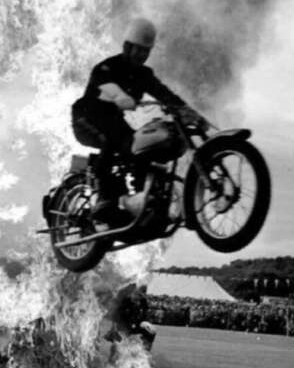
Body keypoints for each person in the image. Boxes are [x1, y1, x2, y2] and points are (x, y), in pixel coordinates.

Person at [71, 17, 199, 225]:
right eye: (138, 49)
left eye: (146, 51)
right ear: (127, 46)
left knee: (138, 147)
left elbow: (163, 93)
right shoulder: (107, 67)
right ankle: (104, 200)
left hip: (114, 121)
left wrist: (186, 111)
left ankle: (141, 199)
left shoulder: (144, 75)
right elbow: (103, 83)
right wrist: (120, 96)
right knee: (112, 138)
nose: (141, 55)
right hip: (86, 118)